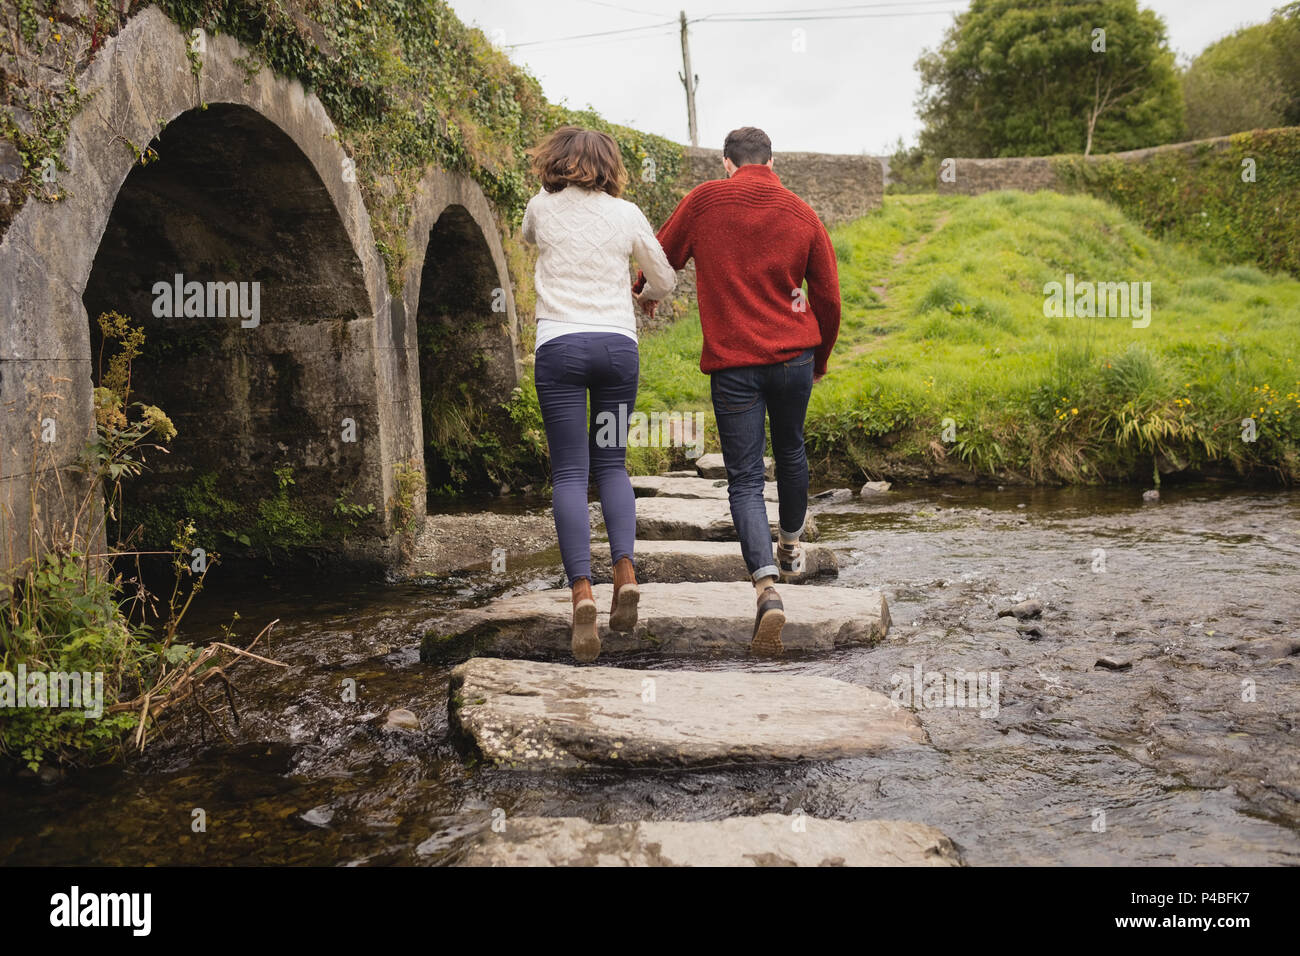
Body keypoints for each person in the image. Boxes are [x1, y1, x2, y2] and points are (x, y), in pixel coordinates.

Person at [641, 126, 841, 656]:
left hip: (734, 366)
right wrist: (818, 358)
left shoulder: (705, 199)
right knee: (792, 448)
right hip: (794, 358)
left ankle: (767, 589)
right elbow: (829, 296)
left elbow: (660, 257)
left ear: (726, 163)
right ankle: (792, 545)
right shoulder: (802, 213)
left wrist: (646, 292)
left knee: (746, 478)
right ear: (772, 161)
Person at [522, 126, 676, 662]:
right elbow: (665, 279)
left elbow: (527, 239)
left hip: (560, 346)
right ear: (610, 165)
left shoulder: (540, 207)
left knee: (568, 472)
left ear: (554, 160)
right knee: (612, 465)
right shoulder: (627, 213)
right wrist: (645, 291)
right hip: (616, 349)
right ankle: (625, 573)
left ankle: (581, 593)